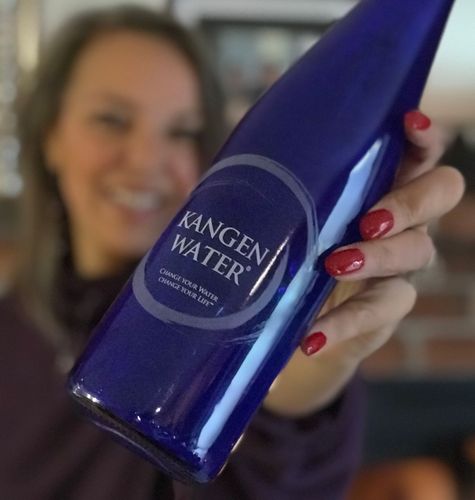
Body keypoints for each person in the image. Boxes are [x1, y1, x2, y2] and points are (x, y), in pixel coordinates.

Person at [0, 5, 465, 500]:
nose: (145, 160)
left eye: (182, 131)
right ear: (48, 135)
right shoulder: (10, 329)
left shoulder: (224, 320)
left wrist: (297, 380)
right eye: (111, 120)